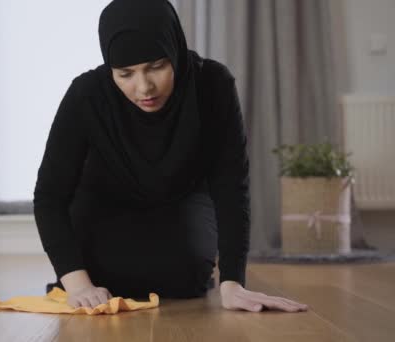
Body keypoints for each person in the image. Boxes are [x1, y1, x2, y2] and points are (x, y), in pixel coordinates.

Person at [33, 0, 309, 313]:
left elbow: (231, 188)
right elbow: (49, 196)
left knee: (184, 275)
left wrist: (232, 281)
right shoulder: (86, 94)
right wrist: (78, 283)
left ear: (175, 50)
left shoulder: (213, 85)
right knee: (99, 272)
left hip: (182, 199)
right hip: (103, 204)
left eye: (157, 66)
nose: (144, 88)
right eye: (125, 74)